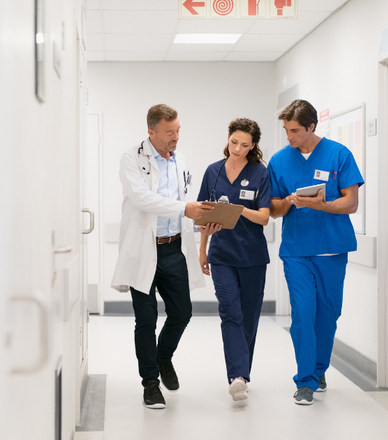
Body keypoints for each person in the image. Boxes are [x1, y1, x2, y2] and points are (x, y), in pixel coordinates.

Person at [110, 104, 213, 410]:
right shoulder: (131, 158)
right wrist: (186, 209)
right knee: (146, 319)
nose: (176, 137)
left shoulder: (179, 159)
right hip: (144, 249)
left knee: (182, 313)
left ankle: (162, 356)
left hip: (173, 248)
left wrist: (201, 217)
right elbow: (142, 198)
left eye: (178, 130)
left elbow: (182, 201)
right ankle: (150, 384)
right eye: (170, 132)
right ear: (151, 132)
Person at [268, 99, 364, 405]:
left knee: (328, 314)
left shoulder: (339, 154)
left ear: (312, 127)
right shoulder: (279, 161)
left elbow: (351, 203)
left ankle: (319, 368)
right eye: (286, 130)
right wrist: (290, 201)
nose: (289, 136)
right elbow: (273, 209)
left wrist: (321, 204)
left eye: (295, 130)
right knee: (303, 312)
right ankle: (305, 380)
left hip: (332, 250)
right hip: (296, 250)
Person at [196, 118, 271, 402]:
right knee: (230, 312)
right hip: (222, 255)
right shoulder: (213, 172)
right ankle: (237, 376)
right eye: (234, 142)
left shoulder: (259, 173)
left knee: (249, 317)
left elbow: (263, 216)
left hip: (252, 256)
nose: (238, 149)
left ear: (253, 147)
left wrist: (237, 210)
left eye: (245, 145)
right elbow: (203, 214)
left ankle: (242, 372)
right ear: (228, 137)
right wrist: (203, 249)